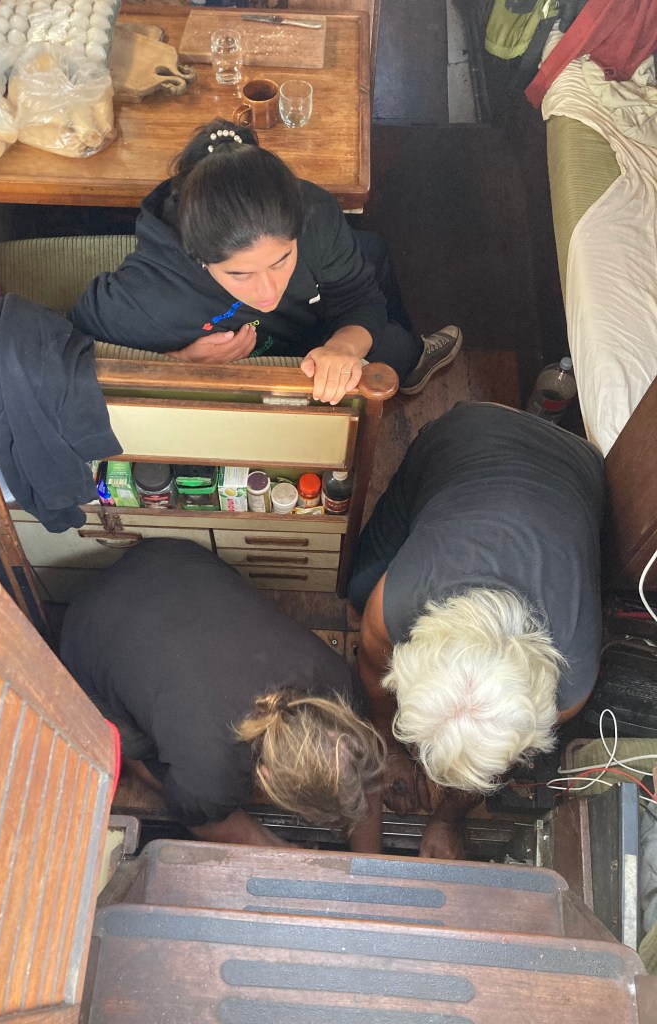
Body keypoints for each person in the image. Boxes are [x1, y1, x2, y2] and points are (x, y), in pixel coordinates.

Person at [347, 402, 605, 859]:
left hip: (575, 465)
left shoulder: (573, 684)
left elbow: (502, 757)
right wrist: (389, 747)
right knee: (358, 587)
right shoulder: (396, 600)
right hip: (469, 433)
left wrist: (447, 817)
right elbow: (372, 669)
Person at [69, 118, 462, 406]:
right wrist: (182, 361)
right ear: (199, 258)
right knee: (391, 337)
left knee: (376, 261)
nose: (268, 291)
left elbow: (359, 296)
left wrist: (343, 347)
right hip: (270, 373)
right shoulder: (147, 296)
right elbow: (74, 340)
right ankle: (411, 355)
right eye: (240, 274)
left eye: (281, 260)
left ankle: (413, 361)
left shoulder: (315, 215)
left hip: (319, 325)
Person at [60, 537, 386, 851]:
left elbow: (361, 775)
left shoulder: (337, 681)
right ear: (266, 777)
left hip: (171, 557)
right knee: (143, 750)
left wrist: (370, 862)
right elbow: (202, 818)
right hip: (85, 628)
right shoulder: (211, 774)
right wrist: (277, 851)